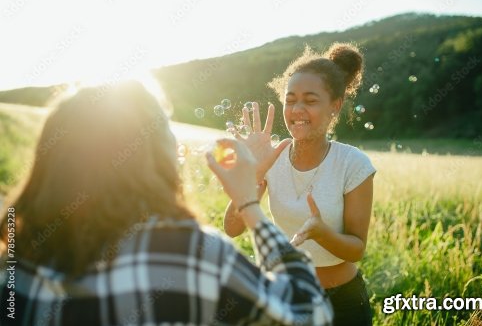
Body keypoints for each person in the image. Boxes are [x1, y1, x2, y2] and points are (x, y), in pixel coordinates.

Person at [0, 81, 333, 325]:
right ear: (158, 158)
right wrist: (248, 200)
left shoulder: (13, 266)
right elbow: (310, 312)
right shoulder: (192, 256)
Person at [224, 43, 376, 325]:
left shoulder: (353, 164)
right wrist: (251, 176)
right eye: (290, 99)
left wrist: (322, 233)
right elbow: (232, 229)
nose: (297, 109)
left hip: (342, 303)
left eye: (310, 100)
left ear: (335, 106)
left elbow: (357, 248)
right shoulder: (271, 157)